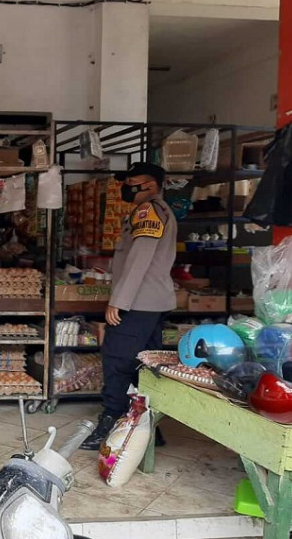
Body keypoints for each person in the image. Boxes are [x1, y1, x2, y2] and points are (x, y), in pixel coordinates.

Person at [80, 162, 177, 450]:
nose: (127, 187)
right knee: (144, 365)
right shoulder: (155, 211)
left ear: (151, 185)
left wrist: (118, 301)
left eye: (133, 182)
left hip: (138, 302)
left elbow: (139, 259)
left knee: (117, 360)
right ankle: (147, 428)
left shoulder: (149, 211)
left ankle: (110, 423)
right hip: (151, 302)